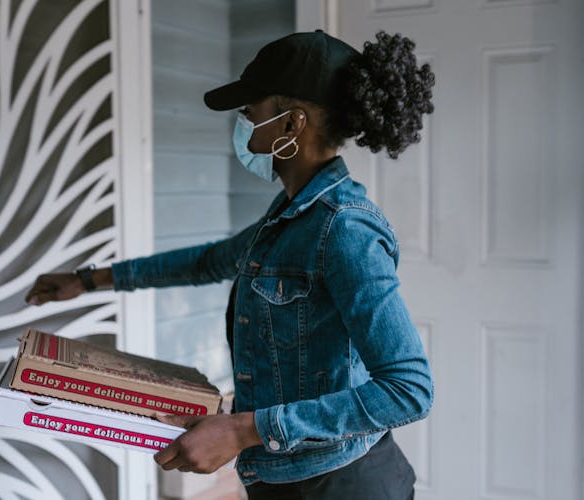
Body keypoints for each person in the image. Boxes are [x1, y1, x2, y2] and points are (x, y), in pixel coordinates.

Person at [26, 30, 435, 500]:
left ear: (291, 124)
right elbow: (207, 262)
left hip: (342, 484)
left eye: (249, 112)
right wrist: (88, 280)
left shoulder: (344, 229)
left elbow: (408, 389)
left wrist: (242, 431)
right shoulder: (288, 217)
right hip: (285, 479)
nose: (243, 125)